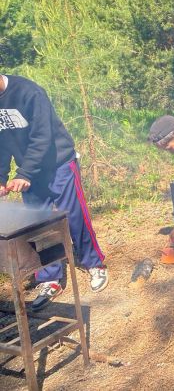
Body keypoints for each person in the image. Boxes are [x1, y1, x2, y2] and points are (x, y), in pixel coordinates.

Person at [0, 74, 108, 311]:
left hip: (59, 163)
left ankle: (94, 263)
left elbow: (43, 137)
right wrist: (1, 178)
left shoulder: (29, 93)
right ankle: (50, 277)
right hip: (29, 173)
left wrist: (24, 173)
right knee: (37, 226)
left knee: (75, 216)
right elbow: (2, 144)